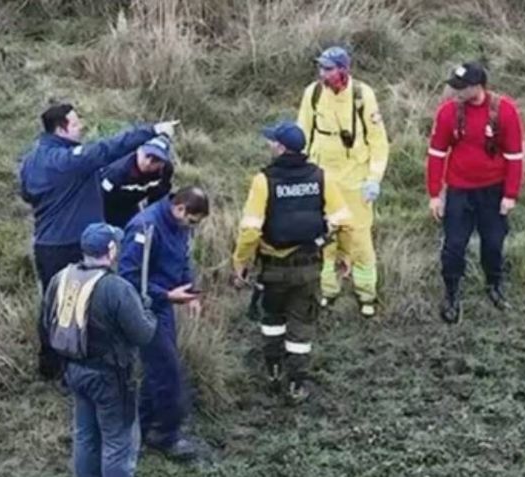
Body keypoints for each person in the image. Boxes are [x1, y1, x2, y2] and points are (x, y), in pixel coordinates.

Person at [232, 121, 350, 402]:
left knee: (272, 320)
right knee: (302, 326)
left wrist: (240, 260)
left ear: (280, 147)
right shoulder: (322, 177)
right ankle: (297, 384)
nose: (269, 145)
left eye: (272, 141)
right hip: (309, 267)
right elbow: (344, 222)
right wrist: (345, 254)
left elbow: (250, 229)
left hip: (272, 269)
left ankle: (273, 371)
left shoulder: (263, 180)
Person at [19, 101, 179, 291]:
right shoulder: (68, 159)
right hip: (73, 244)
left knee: (54, 307)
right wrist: (153, 130)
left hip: (45, 245)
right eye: (76, 124)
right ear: (61, 130)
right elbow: (107, 149)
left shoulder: (30, 160)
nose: (81, 128)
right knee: (85, 306)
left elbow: (27, 194)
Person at [40, 222, 158, 477]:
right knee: (117, 443)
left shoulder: (61, 278)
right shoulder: (116, 287)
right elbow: (144, 334)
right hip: (110, 377)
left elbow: (46, 320)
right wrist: (148, 310)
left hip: (73, 369)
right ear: (112, 249)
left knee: (85, 436)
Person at [426, 61, 525, 324]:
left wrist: (510, 194)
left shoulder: (505, 111)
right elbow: (436, 153)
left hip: (493, 191)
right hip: (459, 190)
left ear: (478, 87)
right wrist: (435, 193)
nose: (455, 92)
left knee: (493, 243)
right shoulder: (448, 112)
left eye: (461, 87)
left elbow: (515, 155)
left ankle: (494, 284)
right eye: (454, 86)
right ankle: (451, 293)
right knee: (453, 247)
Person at [118, 186, 210, 461]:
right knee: (168, 370)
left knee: (156, 370)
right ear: (180, 209)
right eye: (192, 221)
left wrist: (190, 291)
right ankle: (167, 436)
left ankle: (143, 428)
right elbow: (128, 278)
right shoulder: (144, 227)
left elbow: (183, 258)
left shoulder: (181, 226)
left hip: (165, 306)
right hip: (144, 310)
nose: (191, 227)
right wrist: (167, 295)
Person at [297, 46, 390, 318]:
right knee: (325, 238)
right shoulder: (312, 93)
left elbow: (378, 142)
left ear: (343, 70)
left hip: (356, 179)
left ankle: (366, 293)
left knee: (360, 238)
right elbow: (302, 132)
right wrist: (301, 172)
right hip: (322, 176)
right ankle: (328, 290)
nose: (322, 73)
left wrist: (374, 178)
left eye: (328, 68)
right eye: (321, 68)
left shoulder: (363, 95)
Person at [101, 135, 174, 228]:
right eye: (147, 156)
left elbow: (159, 198)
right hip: (104, 206)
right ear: (139, 150)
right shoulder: (116, 172)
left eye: (156, 160)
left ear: (163, 162)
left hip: (129, 206)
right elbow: (97, 198)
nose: (148, 163)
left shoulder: (165, 171)